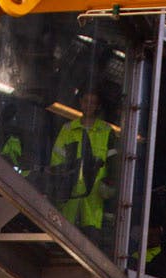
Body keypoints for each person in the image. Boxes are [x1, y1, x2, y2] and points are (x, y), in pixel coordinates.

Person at [50, 90, 117, 244]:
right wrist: (58, 182)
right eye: (86, 101)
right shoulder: (67, 129)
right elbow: (56, 159)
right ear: (80, 102)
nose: (88, 105)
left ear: (98, 106)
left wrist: (110, 183)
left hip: (94, 194)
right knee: (64, 237)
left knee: (90, 238)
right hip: (69, 191)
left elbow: (113, 163)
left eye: (92, 102)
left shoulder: (106, 131)